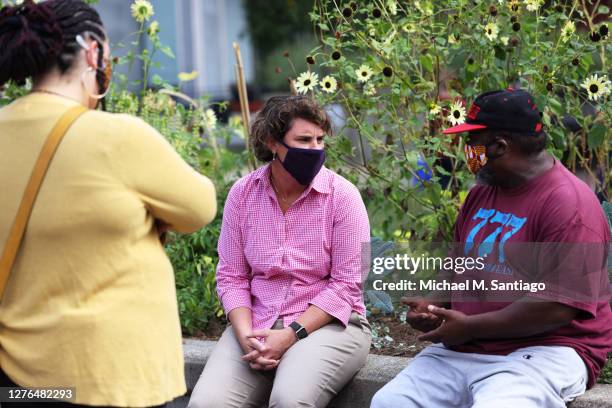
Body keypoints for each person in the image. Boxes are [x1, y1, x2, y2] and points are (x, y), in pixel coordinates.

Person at [0, 1, 216, 406]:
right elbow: (199, 206)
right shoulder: (116, 136)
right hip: (110, 375)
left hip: (18, 381)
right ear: (93, 53)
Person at [371, 89, 612, 408]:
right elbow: (460, 262)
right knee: (391, 402)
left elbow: (558, 305)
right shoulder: (483, 192)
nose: (466, 151)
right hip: (468, 346)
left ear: (499, 146)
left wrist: (470, 327)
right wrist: (434, 303)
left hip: (545, 350)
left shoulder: (569, 204)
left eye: (472, 142)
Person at [188, 95, 372, 408]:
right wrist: (248, 336)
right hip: (259, 321)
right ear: (273, 143)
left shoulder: (342, 197)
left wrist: (288, 336)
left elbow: (347, 285)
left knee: (290, 401)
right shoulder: (243, 195)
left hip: (328, 324)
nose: (315, 149)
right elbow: (231, 275)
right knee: (206, 404)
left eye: (319, 139)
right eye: (303, 140)